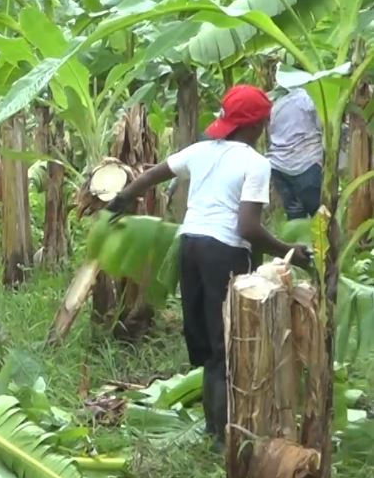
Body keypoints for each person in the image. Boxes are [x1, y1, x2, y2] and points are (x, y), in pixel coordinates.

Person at [106, 85, 312, 445]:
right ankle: (223, 436)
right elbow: (247, 228)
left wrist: (122, 200)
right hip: (224, 253)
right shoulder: (255, 163)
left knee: (207, 346)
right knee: (227, 346)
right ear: (256, 125)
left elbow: (154, 174)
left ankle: (212, 427)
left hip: (190, 246)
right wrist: (287, 249)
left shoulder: (200, 151)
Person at [266, 86, 323, 219]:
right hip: (306, 163)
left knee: (295, 216)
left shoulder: (276, 103)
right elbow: (323, 125)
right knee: (320, 216)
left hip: (278, 165)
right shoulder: (307, 99)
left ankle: (297, 239)